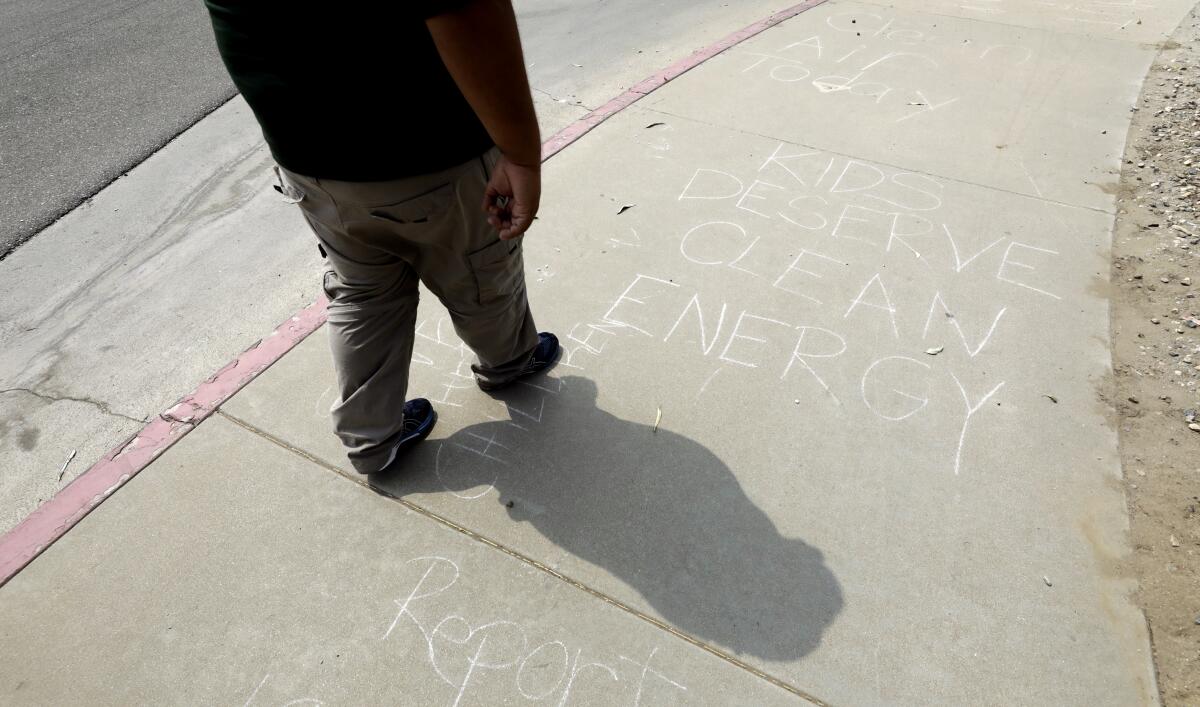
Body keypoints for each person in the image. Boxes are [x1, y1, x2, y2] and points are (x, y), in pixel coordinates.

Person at [203, 1, 559, 474]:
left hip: (306, 156)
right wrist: (521, 154)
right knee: (477, 268)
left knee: (363, 288)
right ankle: (509, 363)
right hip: (425, 145)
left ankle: (371, 438)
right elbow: (465, 10)